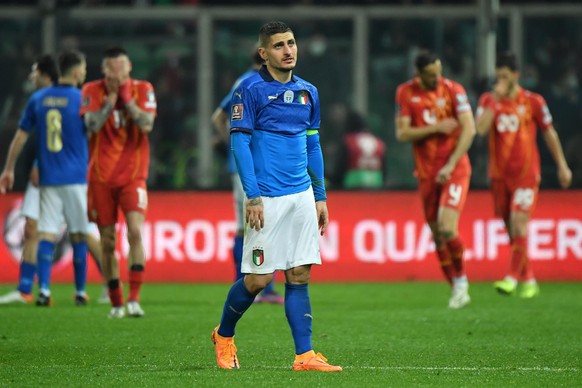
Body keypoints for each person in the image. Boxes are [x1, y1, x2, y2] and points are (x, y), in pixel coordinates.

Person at [210, 21, 341, 372]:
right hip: (265, 198)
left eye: (292, 43)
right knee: (259, 279)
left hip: (300, 197)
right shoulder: (249, 89)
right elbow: (239, 142)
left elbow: (313, 145)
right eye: (280, 45)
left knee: (299, 275)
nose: (289, 50)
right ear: (264, 53)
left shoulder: (308, 92)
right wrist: (252, 196)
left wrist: (320, 196)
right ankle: (224, 336)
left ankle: (305, 356)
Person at [0, 56, 107, 306]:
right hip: (74, 177)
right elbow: (95, 133)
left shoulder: (39, 100)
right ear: (77, 71)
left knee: (48, 233)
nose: (31, 77)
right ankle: (77, 290)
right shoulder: (82, 99)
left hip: (48, 176)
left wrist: (9, 168)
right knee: (77, 233)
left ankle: (46, 290)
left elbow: (21, 135)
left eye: (35, 73)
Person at [475, 51, 572, 298]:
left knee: (519, 222)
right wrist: (495, 100)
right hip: (499, 175)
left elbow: (549, 133)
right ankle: (529, 277)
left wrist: (562, 165)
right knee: (511, 229)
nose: (501, 82)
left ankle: (511, 278)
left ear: (516, 75)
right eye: (498, 77)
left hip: (527, 174)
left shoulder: (533, 101)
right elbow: (480, 130)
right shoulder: (488, 100)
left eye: (505, 77)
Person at [395, 50, 476, 309]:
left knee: (447, 227)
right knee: (436, 233)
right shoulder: (406, 92)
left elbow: (469, 128)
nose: (437, 78)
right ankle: (456, 289)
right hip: (427, 172)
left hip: (455, 168)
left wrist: (452, 163)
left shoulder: (453, 90)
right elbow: (403, 133)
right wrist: (435, 128)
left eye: (439, 72)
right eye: (431, 75)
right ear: (419, 74)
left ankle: (462, 280)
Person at [81, 46, 157, 319]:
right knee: (107, 240)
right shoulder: (92, 90)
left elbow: (146, 123)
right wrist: (111, 100)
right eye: (112, 68)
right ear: (104, 70)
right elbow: (91, 125)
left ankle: (134, 299)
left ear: (129, 67)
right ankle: (116, 301)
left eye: (121, 66)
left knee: (135, 232)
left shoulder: (142, 88)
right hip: (100, 177)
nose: (117, 72)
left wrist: (127, 99)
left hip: (133, 175)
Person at [211, 49, 284, 305]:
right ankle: (259, 286)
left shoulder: (245, 82)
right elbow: (219, 118)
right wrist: (236, 144)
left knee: (252, 225)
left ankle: (247, 284)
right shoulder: (251, 83)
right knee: (258, 224)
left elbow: (218, 116)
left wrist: (230, 141)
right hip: (251, 167)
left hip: (251, 166)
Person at [337, 110, 386, 189]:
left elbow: (341, 167)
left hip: (352, 186)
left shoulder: (348, 141)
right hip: (376, 186)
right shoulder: (379, 142)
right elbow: (384, 170)